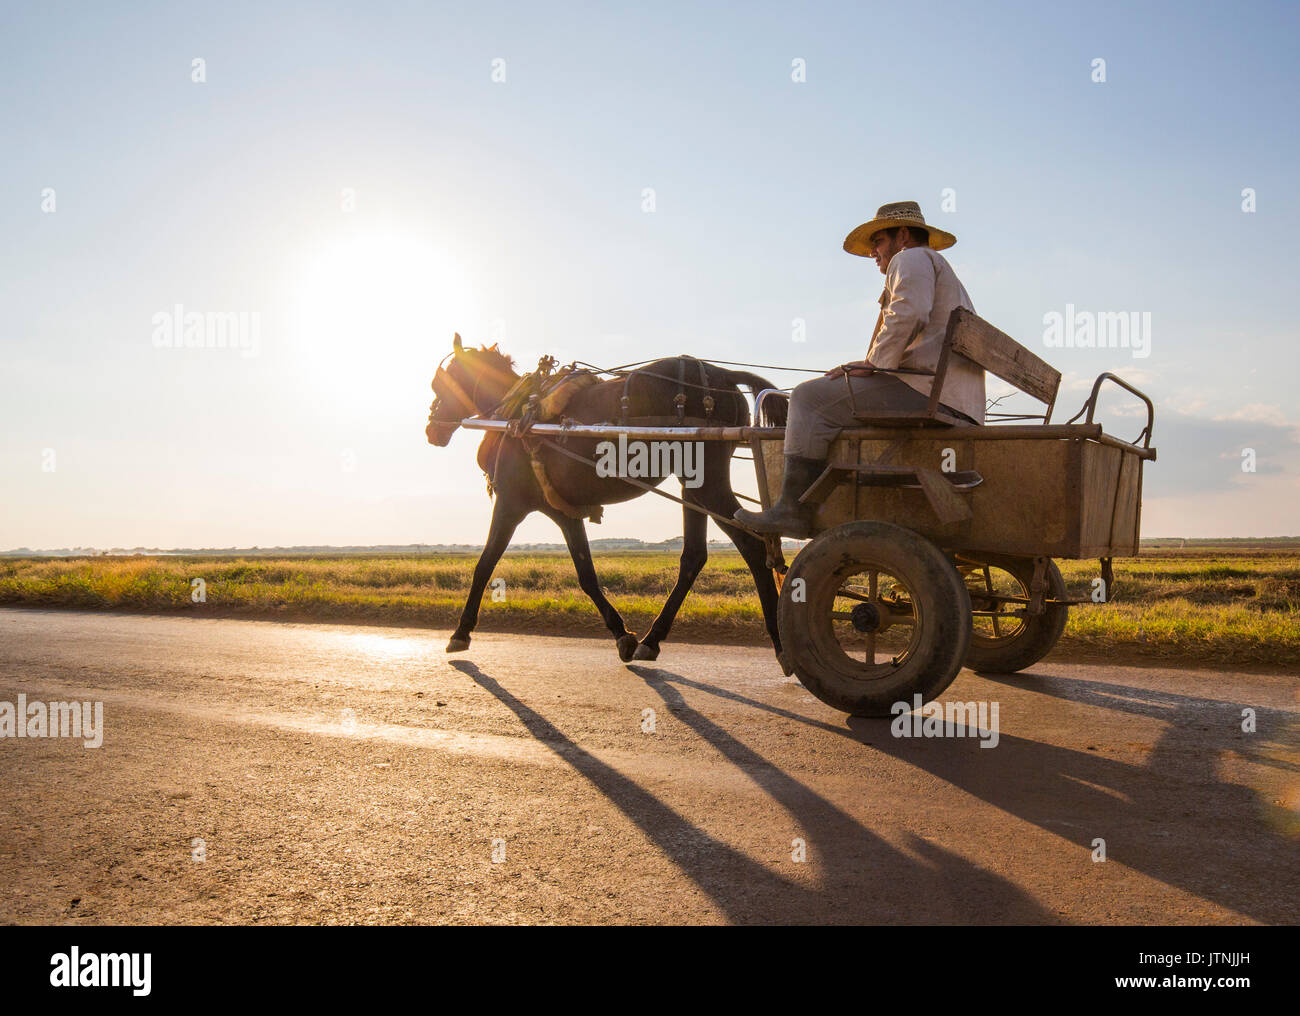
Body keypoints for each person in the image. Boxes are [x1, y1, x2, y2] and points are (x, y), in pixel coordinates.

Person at [735, 201, 985, 538]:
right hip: (954, 395)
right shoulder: (940, 270)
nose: (873, 253)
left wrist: (874, 363)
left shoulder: (909, 258)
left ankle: (792, 509)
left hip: (925, 391)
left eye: (878, 241)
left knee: (808, 397)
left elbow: (910, 313)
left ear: (904, 235)